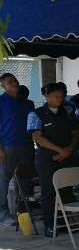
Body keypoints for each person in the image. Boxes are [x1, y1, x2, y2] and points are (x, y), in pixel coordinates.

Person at [27, 83, 79, 238]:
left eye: (62, 96)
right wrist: (60, 150)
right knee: (49, 192)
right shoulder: (36, 113)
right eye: (56, 96)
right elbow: (38, 137)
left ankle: (64, 223)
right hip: (47, 158)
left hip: (67, 155)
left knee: (66, 190)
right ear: (46, 96)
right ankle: (50, 225)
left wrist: (69, 149)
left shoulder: (68, 112)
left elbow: (76, 133)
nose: (60, 99)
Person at [0, 74, 35, 226]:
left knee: (25, 180)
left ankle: (23, 212)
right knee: (3, 180)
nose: (14, 83)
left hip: (27, 145)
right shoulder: (1, 101)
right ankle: (3, 214)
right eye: (10, 82)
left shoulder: (28, 103)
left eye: (15, 80)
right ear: (3, 86)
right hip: (7, 146)